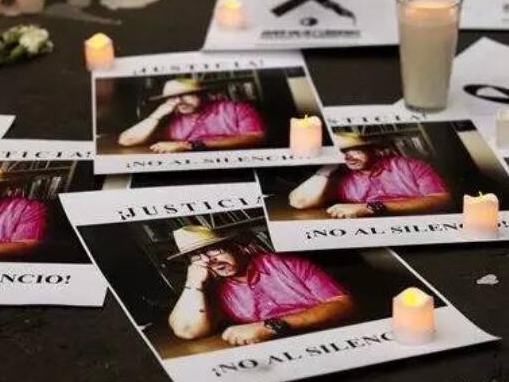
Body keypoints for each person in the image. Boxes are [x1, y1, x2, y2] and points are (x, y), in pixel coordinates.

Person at [167, 226, 353, 346]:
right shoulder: (213, 289)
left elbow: (344, 304)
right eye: (196, 256)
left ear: (236, 247)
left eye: (212, 250)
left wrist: (271, 326)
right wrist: (193, 282)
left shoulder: (288, 264)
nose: (208, 261)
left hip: (334, 339)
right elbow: (187, 331)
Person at [289, 133, 451, 218]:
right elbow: (299, 202)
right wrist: (328, 167)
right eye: (341, 153)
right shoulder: (338, 177)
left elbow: (441, 199)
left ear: (373, 150)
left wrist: (368, 208)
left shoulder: (411, 166)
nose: (348, 158)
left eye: (354, 151)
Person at [117, 78, 266, 153]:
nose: (179, 101)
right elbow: (126, 141)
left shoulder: (237, 109)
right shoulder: (170, 119)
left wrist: (188, 145)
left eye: (186, 95)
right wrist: (157, 114)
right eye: (172, 98)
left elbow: (256, 137)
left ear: (204, 94)